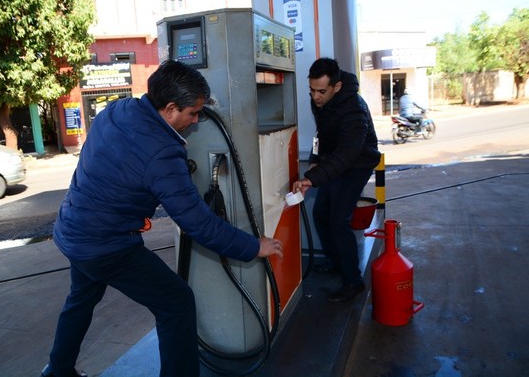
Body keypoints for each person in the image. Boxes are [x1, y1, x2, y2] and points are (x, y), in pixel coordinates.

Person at [41, 60, 283, 377]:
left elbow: (107, 166)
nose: (197, 120)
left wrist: (130, 206)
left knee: (81, 298)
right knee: (176, 302)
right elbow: (198, 222)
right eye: (193, 113)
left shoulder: (118, 110)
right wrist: (253, 246)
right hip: (106, 245)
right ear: (170, 109)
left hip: (73, 228)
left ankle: (56, 371)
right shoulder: (163, 152)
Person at [292, 58, 381, 303]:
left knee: (338, 219)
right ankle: (335, 262)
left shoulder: (354, 108)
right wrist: (314, 158)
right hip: (335, 162)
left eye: (321, 91)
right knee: (321, 214)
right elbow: (321, 134)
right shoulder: (321, 102)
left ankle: (353, 281)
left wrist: (313, 178)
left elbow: (348, 153)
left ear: (337, 87)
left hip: (357, 163)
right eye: (312, 90)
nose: (315, 97)